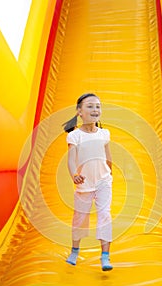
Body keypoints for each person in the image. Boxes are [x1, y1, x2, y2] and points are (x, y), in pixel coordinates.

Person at [63, 93, 113, 271]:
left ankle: (105, 256)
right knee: (80, 218)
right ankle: (75, 251)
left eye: (98, 106)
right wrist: (74, 175)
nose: (95, 109)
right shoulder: (75, 136)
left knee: (105, 215)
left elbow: (108, 156)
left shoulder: (104, 133)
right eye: (90, 106)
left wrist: (109, 173)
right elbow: (71, 160)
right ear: (79, 112)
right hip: (84, 183)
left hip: (103, 182)